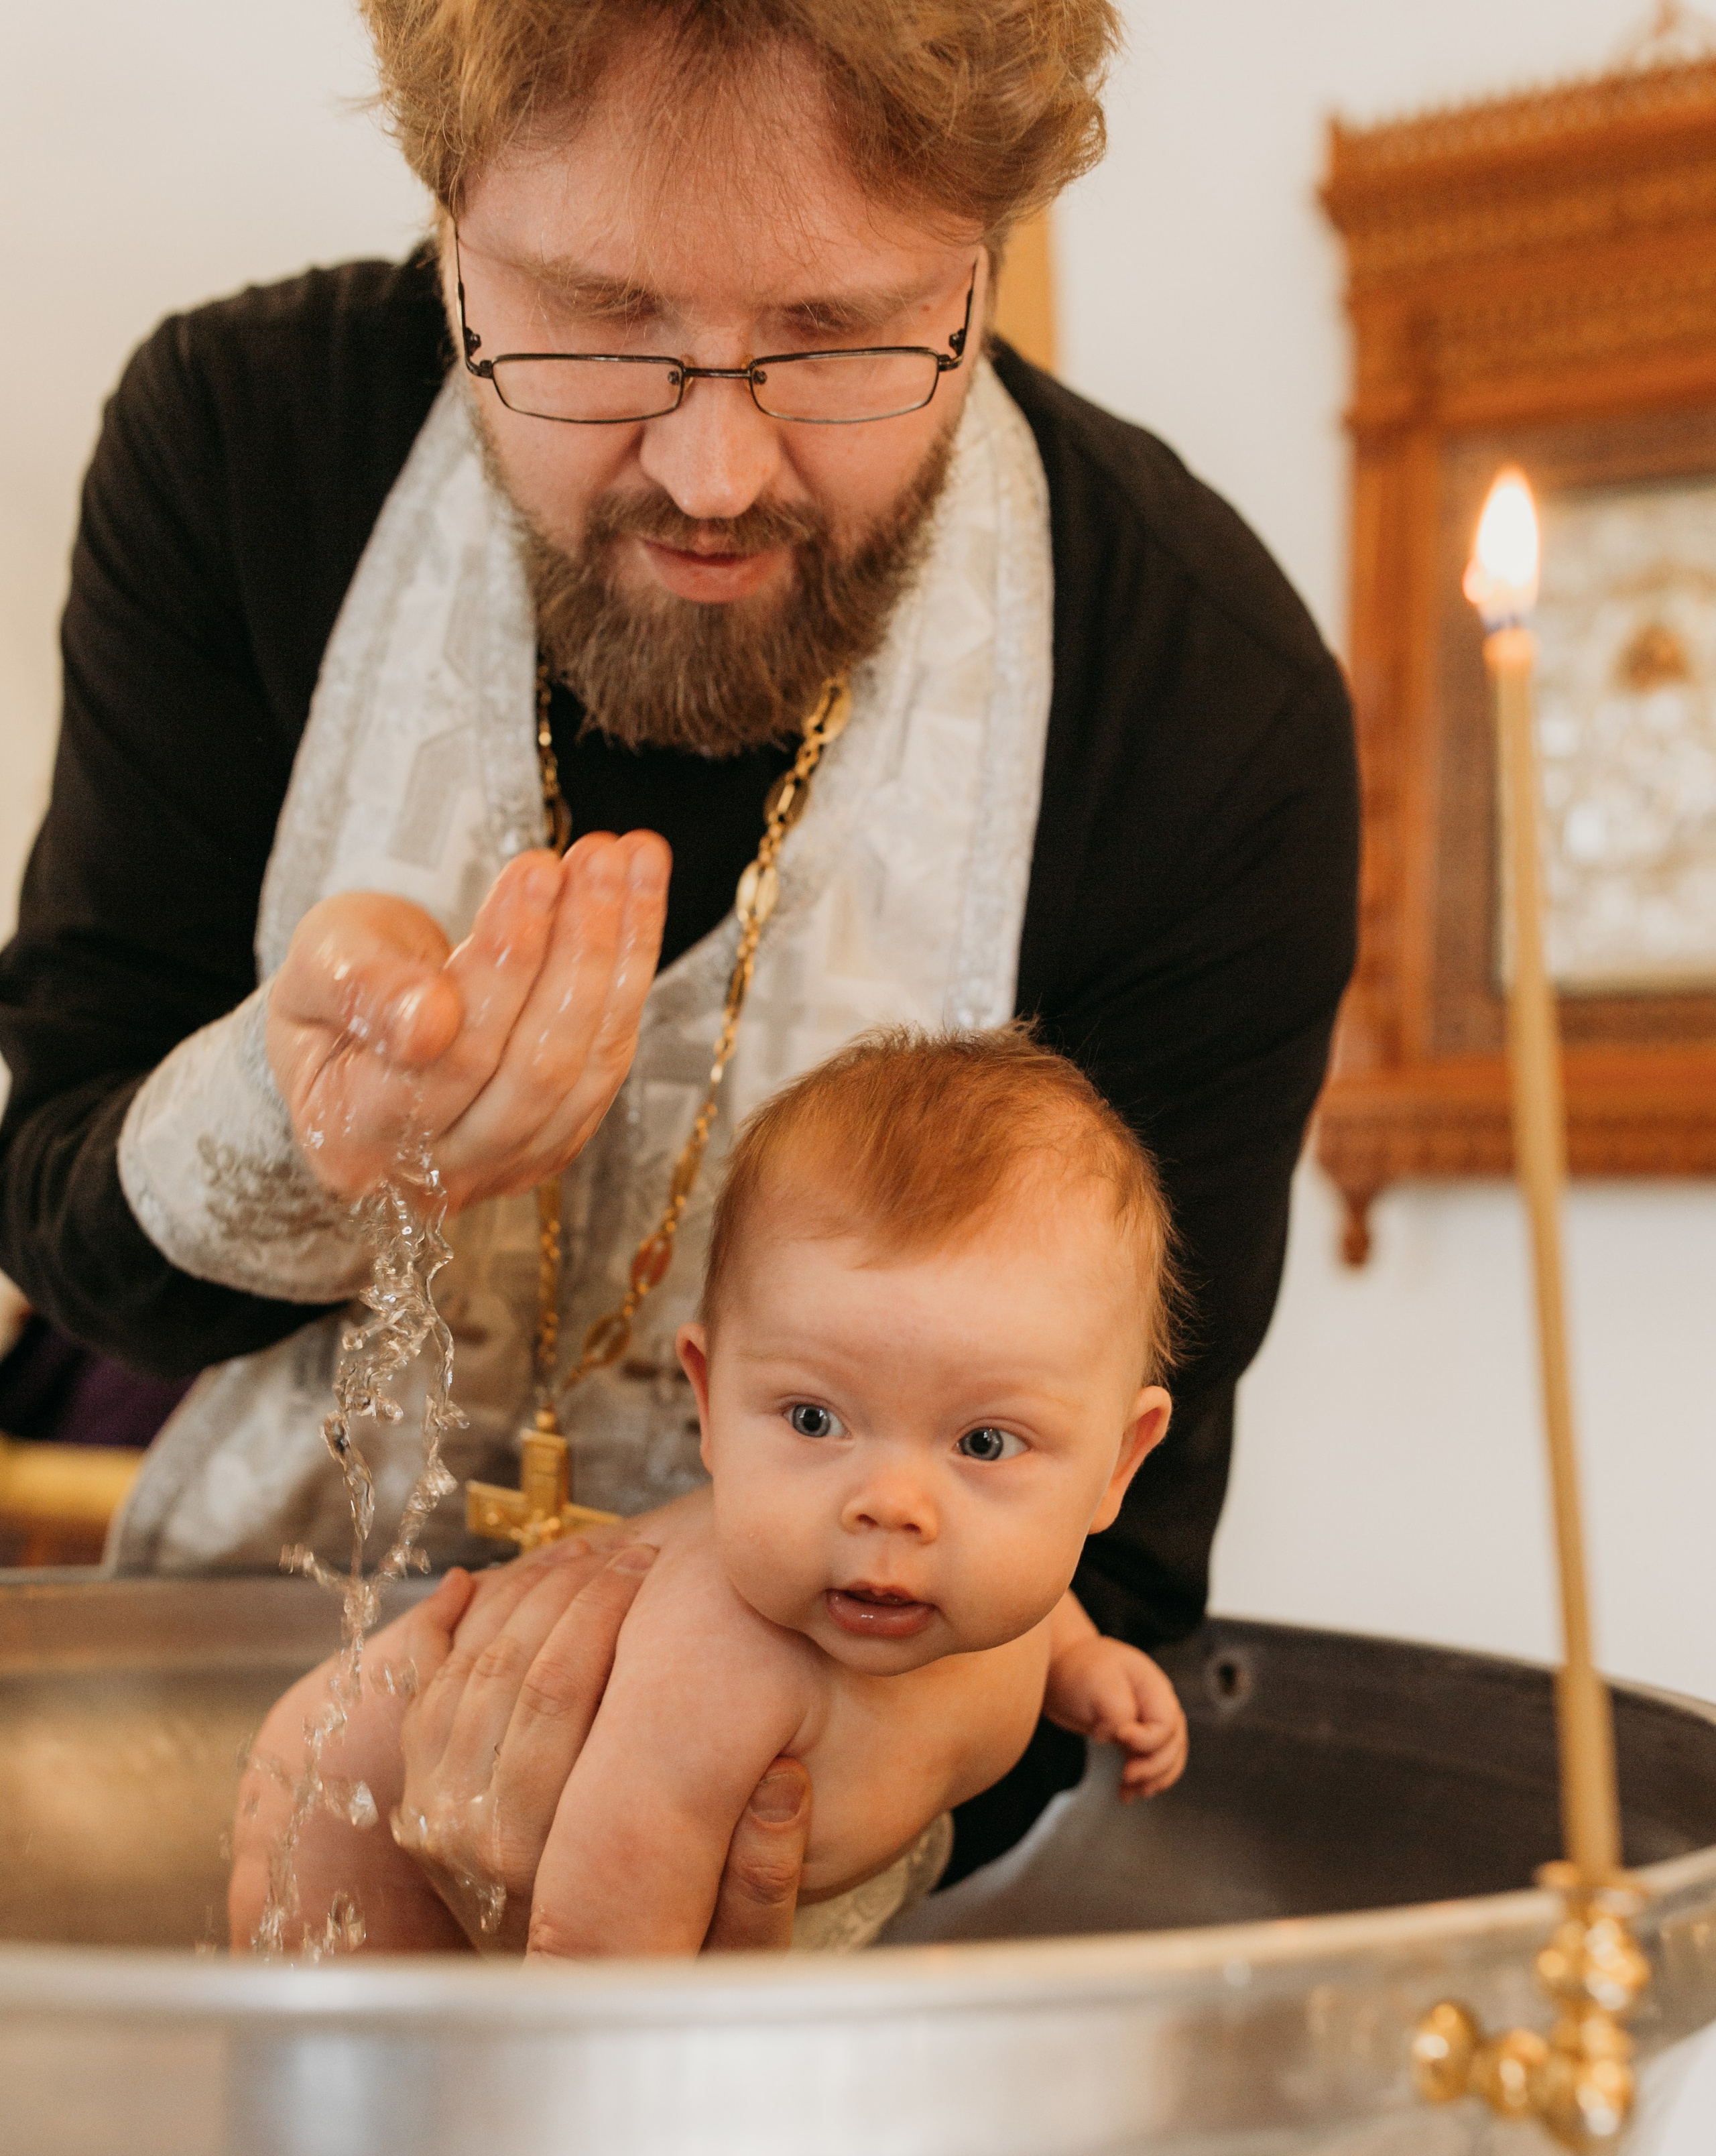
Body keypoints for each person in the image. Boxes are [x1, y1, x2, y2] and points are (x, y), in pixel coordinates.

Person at [0, 0, 1358, 1913]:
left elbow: (1103, 1560)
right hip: (216, 1772)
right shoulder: (240, 451)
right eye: (594, 319)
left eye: (840, 335)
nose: (715, 473)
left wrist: (716, 1747)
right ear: (448, 211)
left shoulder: (1203, 694)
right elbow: (62, 1223)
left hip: (811, 1890)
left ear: (985, 244)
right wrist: (294, 1142)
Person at [231, 1027, 1189, 1955]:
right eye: (815, 1420)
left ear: (1116, 1464)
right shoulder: (720, 1676)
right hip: (356, 1793)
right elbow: (593, 1971)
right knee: (366, 2075)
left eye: (984, 1442)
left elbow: (1039, 1608)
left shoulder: (976, 1582)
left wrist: (1081, 1663)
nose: (893, 1504)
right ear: (709, 1394)